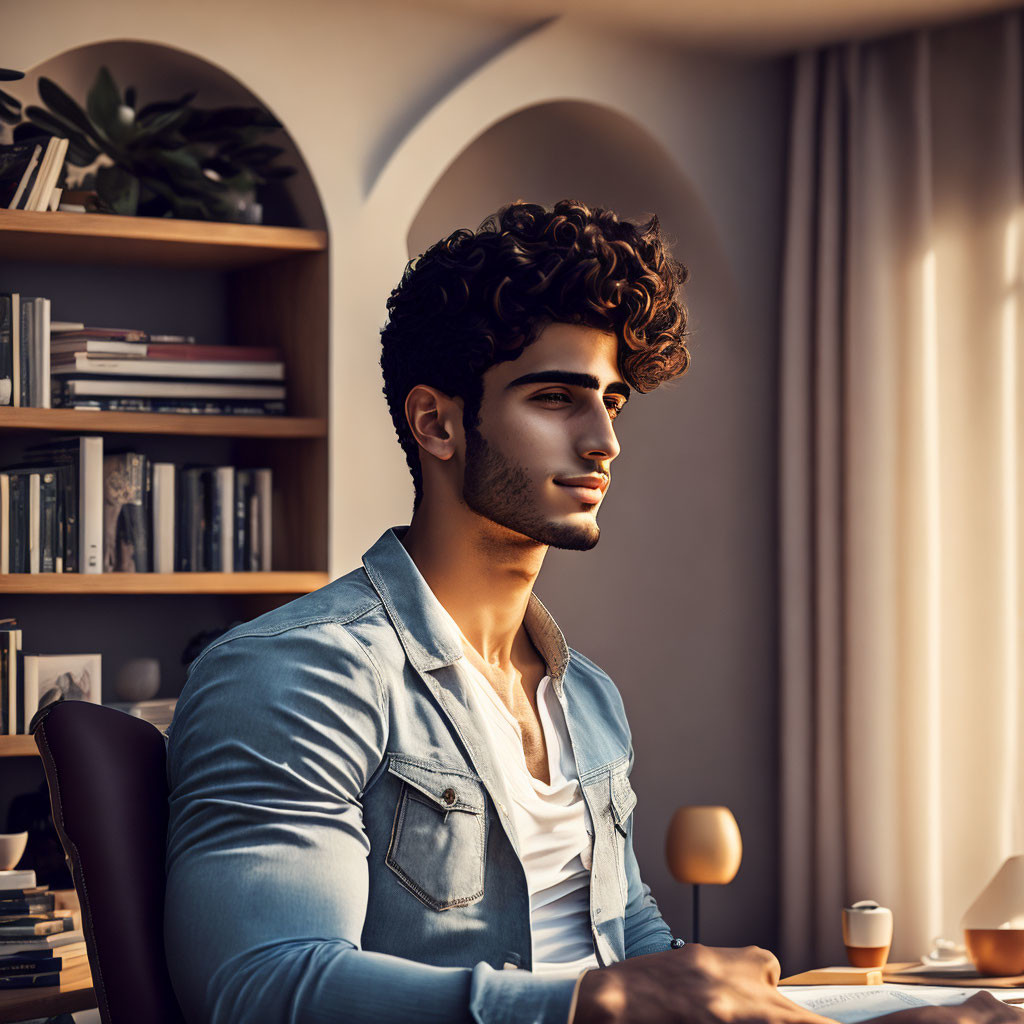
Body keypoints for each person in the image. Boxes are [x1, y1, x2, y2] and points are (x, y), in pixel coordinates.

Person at [163, 200, 1018, 1024]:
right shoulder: (299, 670)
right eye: (554, 399)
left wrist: (798, 1008)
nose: (604, 441)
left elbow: (629, 943)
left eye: (610, 402)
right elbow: (261, 988)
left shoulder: (588, 698)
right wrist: (598, 1004)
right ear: (437, 424)